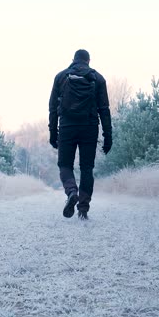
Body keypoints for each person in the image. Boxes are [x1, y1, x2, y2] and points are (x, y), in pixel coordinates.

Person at [48, 49, 112, 220]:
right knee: (86, 168)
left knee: (65, 165)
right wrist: (108, 135)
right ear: (88, 61)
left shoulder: (61, 77)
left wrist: (53, 133)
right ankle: (83, 209)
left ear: (73, 60)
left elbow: (53, 108)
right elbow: (104, 109)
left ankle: (71, 192)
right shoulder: (98, 78)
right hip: (89, 127)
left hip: (67, 127)